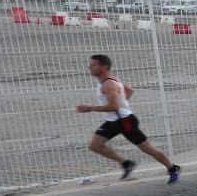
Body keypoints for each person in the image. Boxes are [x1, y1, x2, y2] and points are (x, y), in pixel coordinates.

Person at [77, 54, 181, 183]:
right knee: (95, 146)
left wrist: (90, 108)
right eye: (90, 64)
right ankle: (126, 164)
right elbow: (130, 90)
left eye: (94, 65)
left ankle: (172, 168)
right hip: (113, 121)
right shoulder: (111, 80)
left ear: (105, 67)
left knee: (147, 148)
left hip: (125, 121)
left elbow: (114, 106)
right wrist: (122, 102)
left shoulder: (109, 84)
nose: (90, 67)